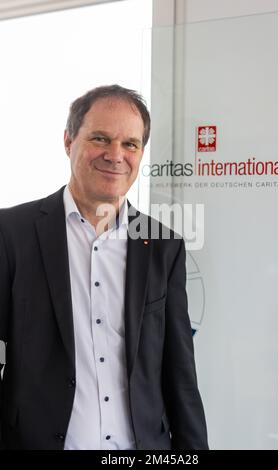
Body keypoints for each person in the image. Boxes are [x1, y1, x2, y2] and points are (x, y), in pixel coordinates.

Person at [0, 85, 208, 450]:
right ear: (68, 141)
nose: (116, 155)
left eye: (130, 144)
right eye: (100, 138)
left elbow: (179, 375)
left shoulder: (162, 245)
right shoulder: (11, 233)